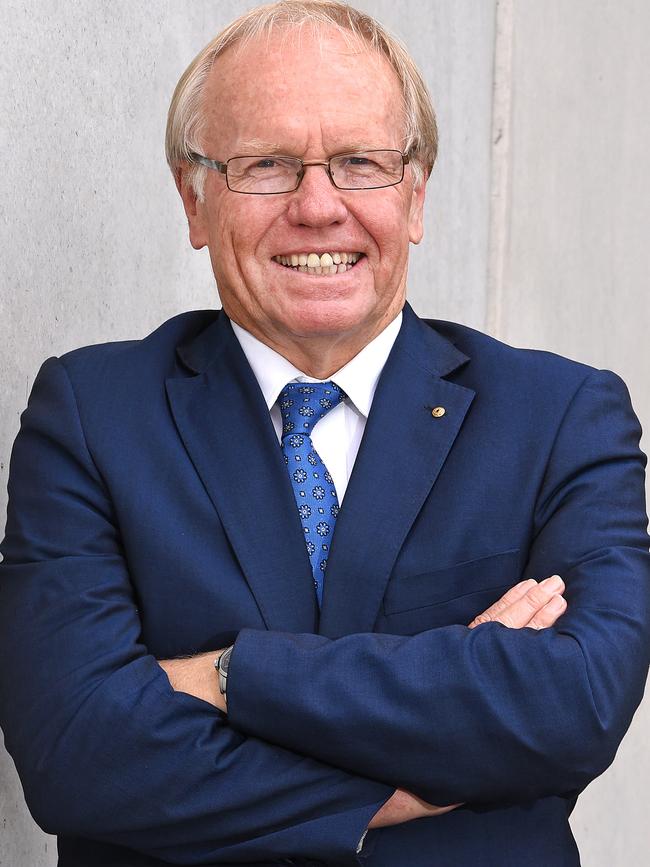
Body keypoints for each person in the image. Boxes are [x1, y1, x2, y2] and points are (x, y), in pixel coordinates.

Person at [0, 2, 648, 865]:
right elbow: (74, 749)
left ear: (414, 195)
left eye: (360, 163)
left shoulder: (560, 416)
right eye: (266, 164)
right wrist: (423, 745)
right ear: (194, 199)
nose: (317, 206)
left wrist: (229, 677)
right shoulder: (90, 414)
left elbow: (576, 704)